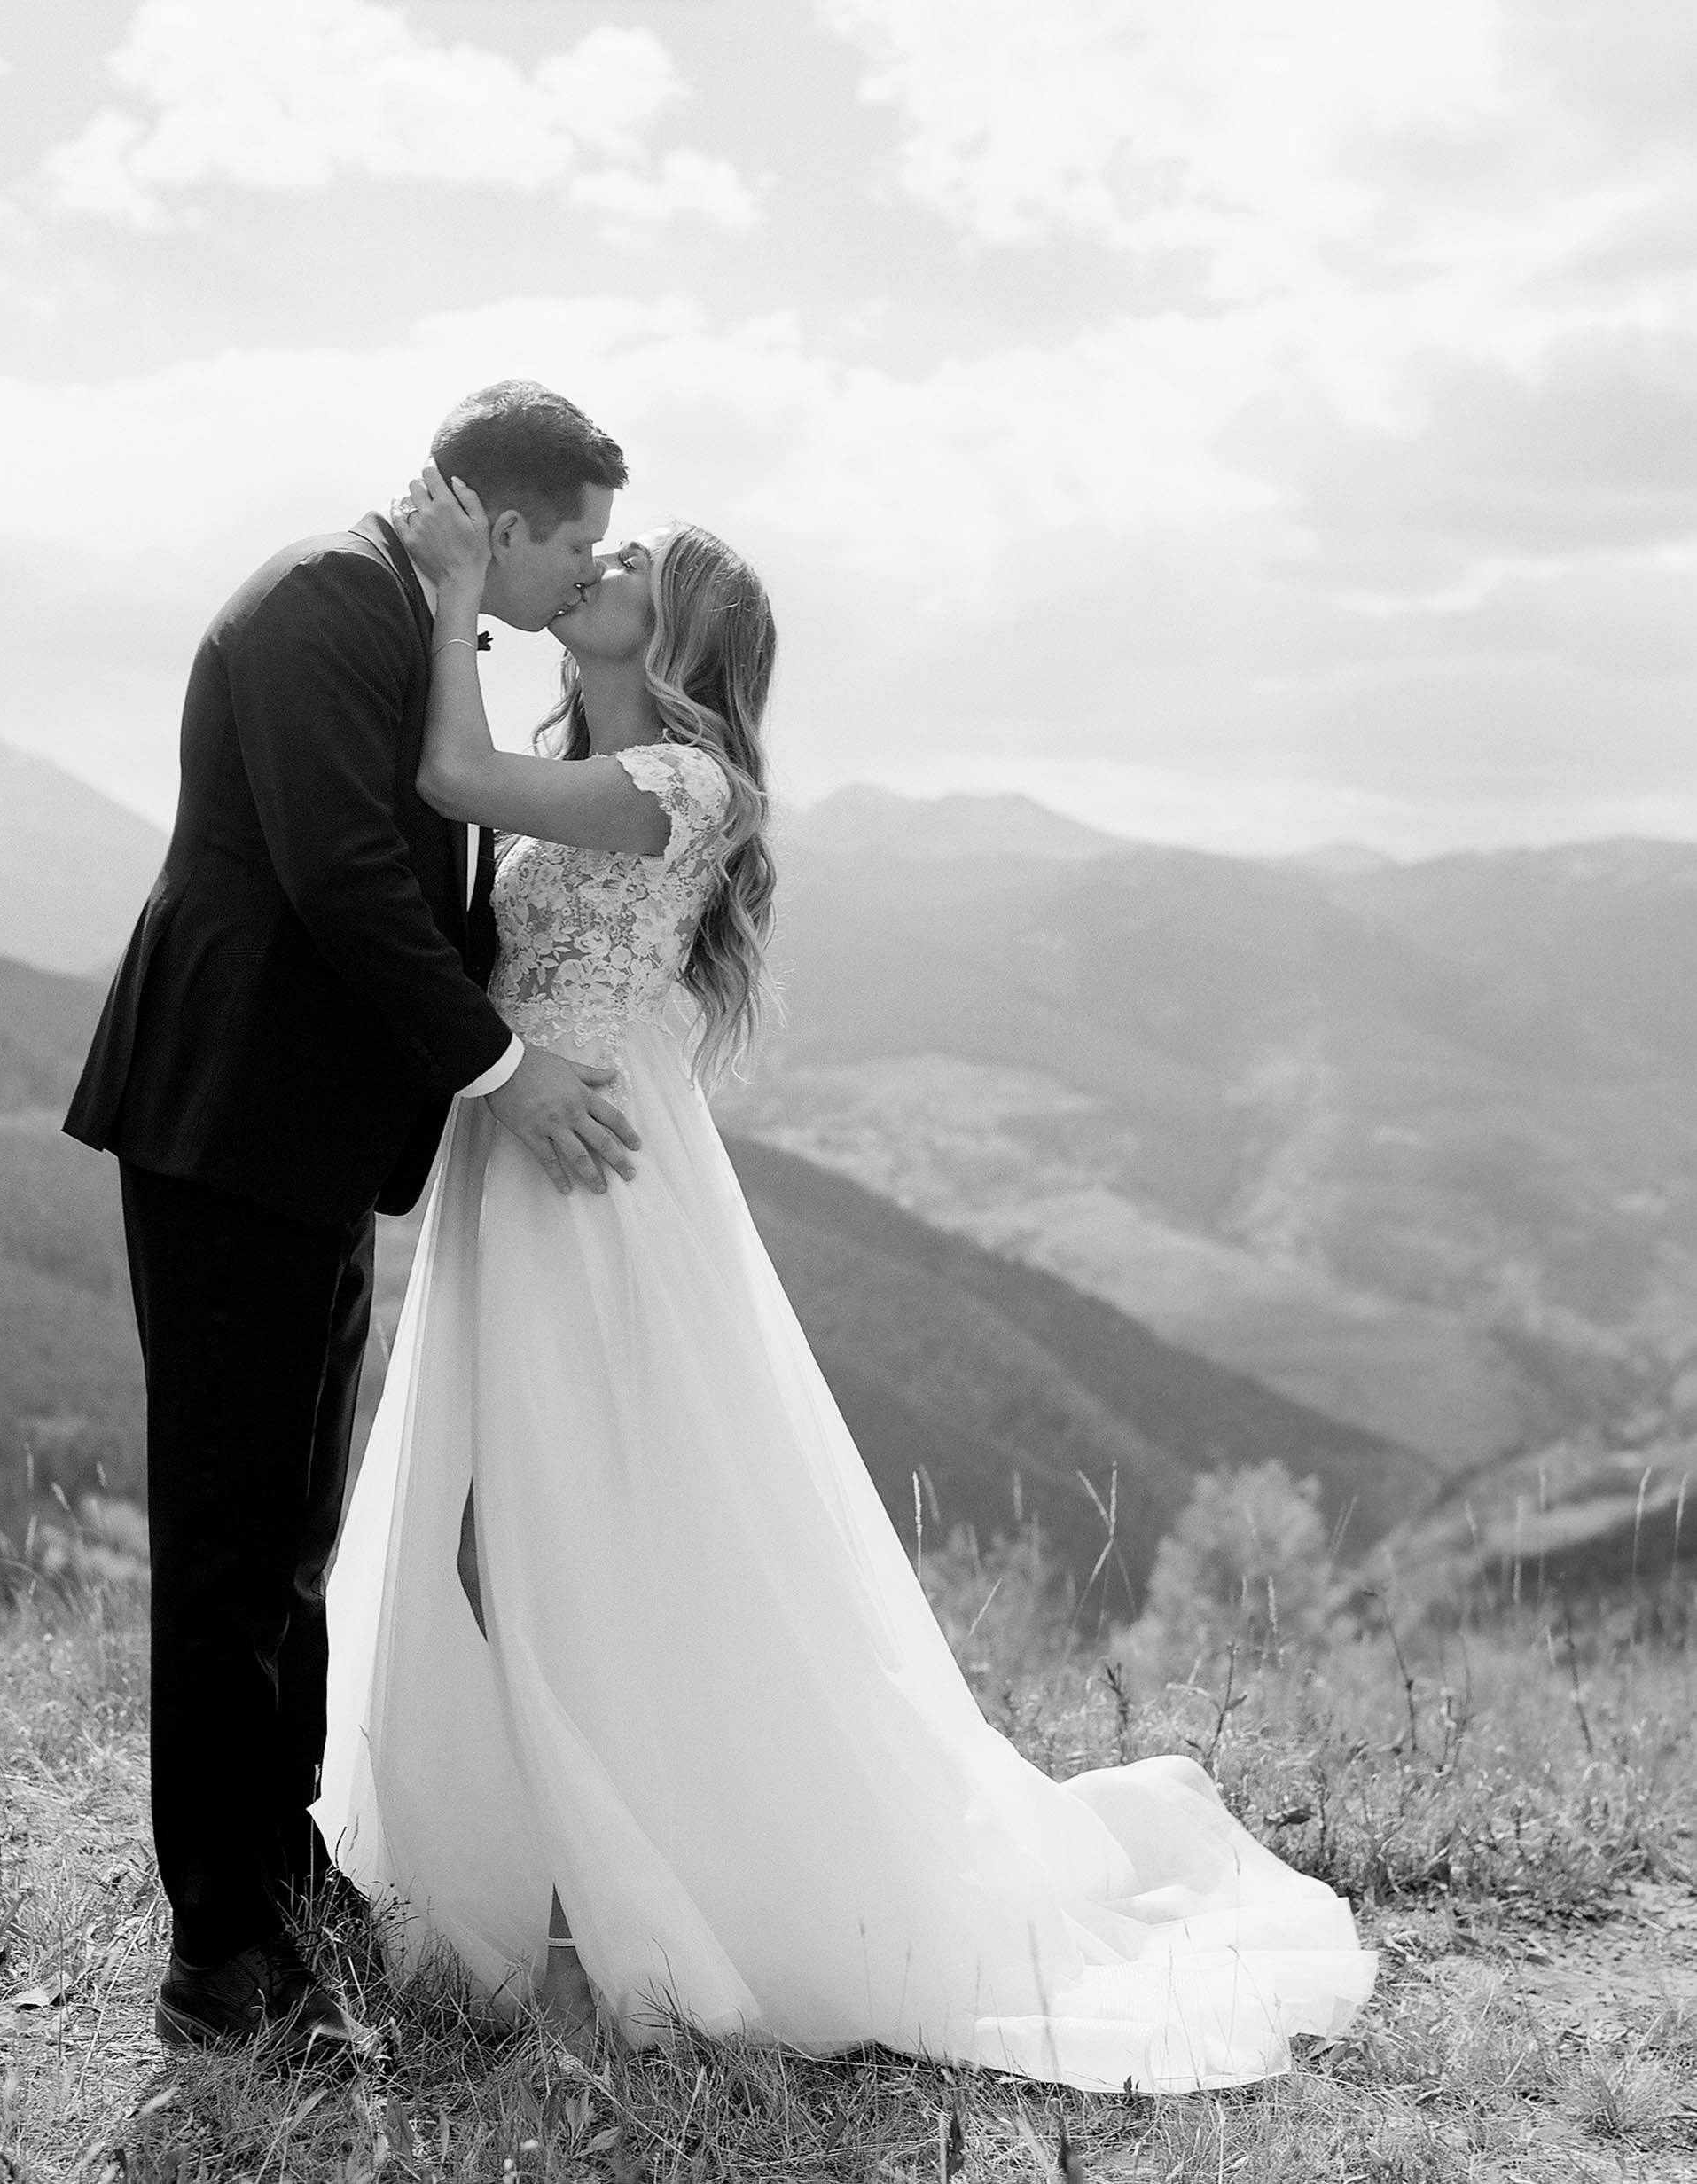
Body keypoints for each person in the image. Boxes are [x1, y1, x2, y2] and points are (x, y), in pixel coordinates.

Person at [313, 472, 1377, 2091]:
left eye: (636, 561)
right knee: (490, 1524)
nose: (602, 560)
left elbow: (439, 774)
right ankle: (549, 1885)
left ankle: (596, 1941)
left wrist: (456, 585)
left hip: (594, 1181)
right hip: (523, 1163)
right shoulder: (577, 766)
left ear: (684, 633)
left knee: (558, 1524)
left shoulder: (685, 779)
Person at [63, 383, 641, 2062]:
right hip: (229, 1120)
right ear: (502, 516)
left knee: (293, 1536)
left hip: (305, 1138)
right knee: (231, 1540)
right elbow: (337, 872)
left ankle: (285, 1874)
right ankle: (219, 1960)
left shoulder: (412, 613)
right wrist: (504, 1071)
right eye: (578, 542)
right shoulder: (329, 595)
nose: (579, 576)